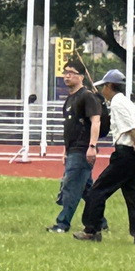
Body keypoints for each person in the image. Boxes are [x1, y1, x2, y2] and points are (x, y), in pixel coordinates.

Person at [74, 69, 135, 243]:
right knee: (133, 196)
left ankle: (91, 230)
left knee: (98, 190)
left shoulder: (117, 103)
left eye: (104, 87)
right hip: (134, 157)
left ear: (110, 86)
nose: (102, 91)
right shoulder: (129, 103)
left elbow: (130, 129)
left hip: (125, 154)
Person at [47, 59, 101, 233]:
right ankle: (99, 221)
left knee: (71, 186)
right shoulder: (70, 99)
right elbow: (69, 128)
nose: (67, 75)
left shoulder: (87, 96)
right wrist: (65, 150)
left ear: (81, 77)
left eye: (71, 72)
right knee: (88, 190)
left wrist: (92, 146)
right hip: (72, 150)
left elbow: (95, 121)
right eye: (65, 72)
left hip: (82, 149)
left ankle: (63, 223)